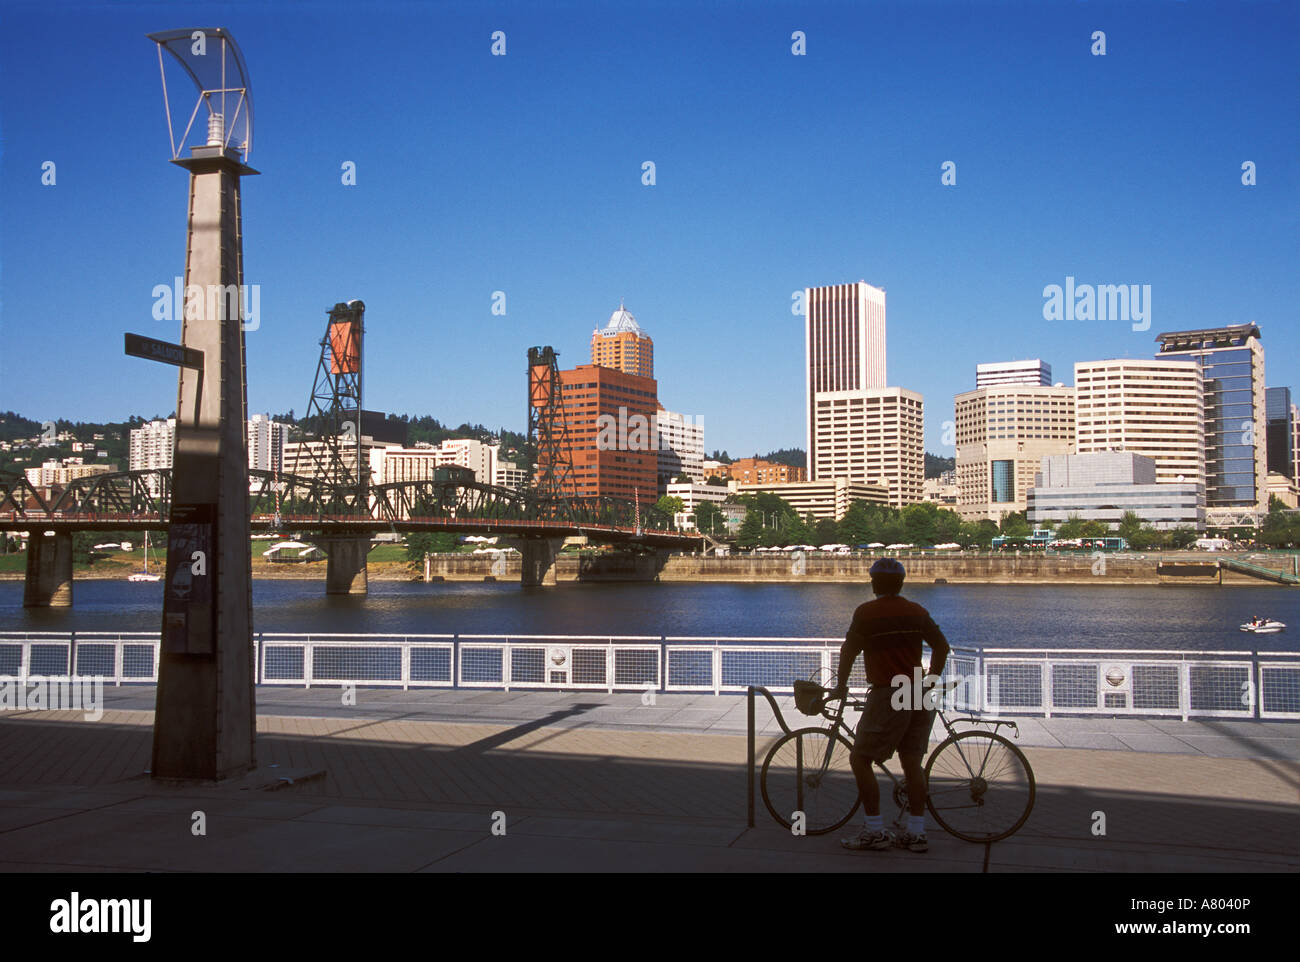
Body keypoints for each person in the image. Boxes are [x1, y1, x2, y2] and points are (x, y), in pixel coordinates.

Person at [828, 557, 950, 853]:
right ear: (901, 583)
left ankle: (875, 831)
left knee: (860, 759)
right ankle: (916, 833)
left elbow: (849, 651)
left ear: (874, 584)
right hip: (919, 691)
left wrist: (841, 686)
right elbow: (941, 647)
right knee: (911, 763)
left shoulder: (866, 613)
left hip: (890, 693)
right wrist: (931, 680)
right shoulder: (916, 611)